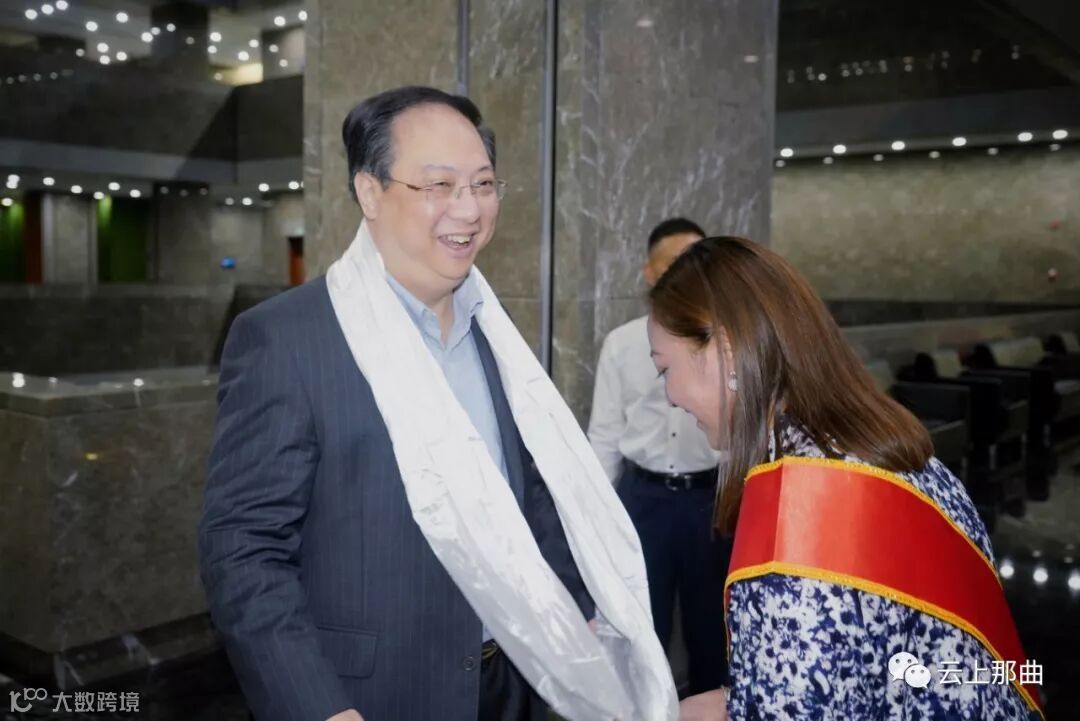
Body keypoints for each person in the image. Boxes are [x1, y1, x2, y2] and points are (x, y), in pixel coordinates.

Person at [198, 86, 679, 721]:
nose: (469, 208)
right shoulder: (288, 339)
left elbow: (530, 490)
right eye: (439, 185)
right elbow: (244, 549)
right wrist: (318, 709)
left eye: (483, 184)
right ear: (370, 192)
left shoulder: (495, 333)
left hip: (520, 679)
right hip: (373, 695)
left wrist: (582, 612)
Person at [647, 238, 1044, 721]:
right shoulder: (892, 453)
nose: (669, 396)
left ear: (727, 352)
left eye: (665, 369)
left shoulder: (800, 522)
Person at [588, 218, 729, 696]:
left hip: (709, 501)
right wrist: (596, 519)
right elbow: (604, 435)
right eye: (674, 265)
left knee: (712, 629)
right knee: (640, 628)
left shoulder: (727, 342)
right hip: (643, 500)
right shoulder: (622, 343)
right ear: (649, 272)